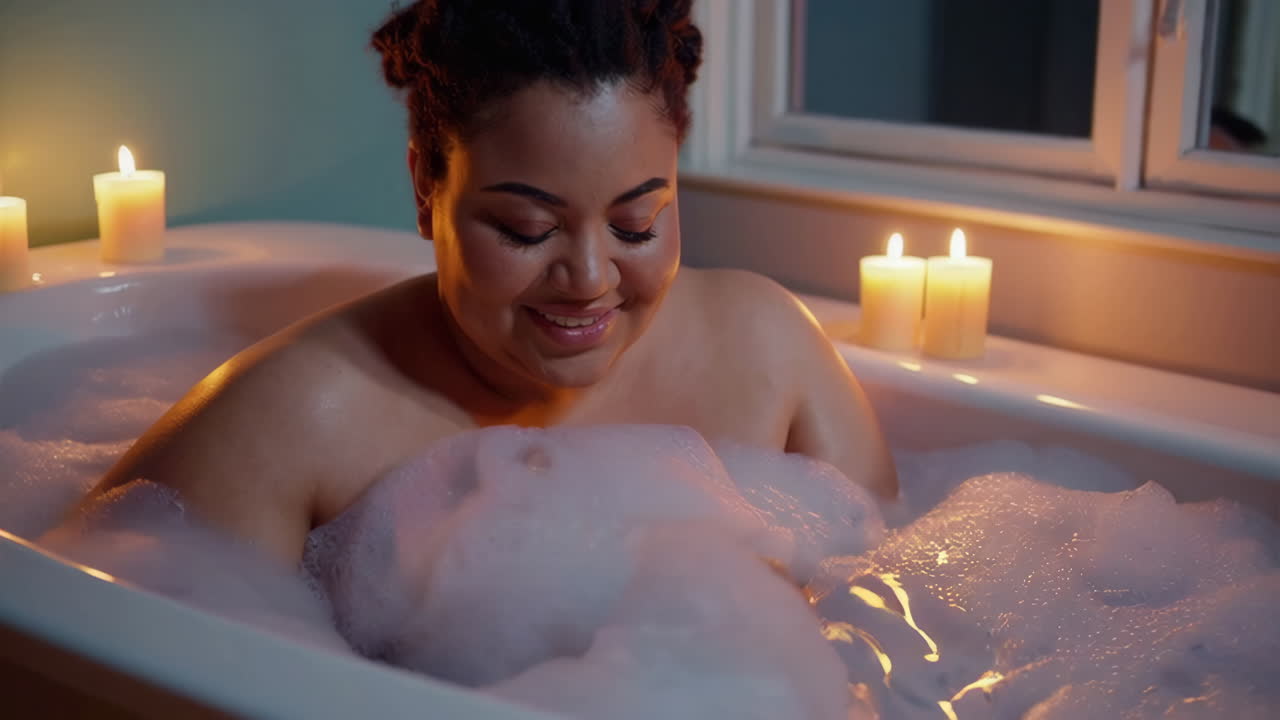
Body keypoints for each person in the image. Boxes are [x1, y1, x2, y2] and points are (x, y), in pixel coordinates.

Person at [73, 0, 897, 566]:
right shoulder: (285, 426)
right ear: (425, 187)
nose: (589, 278)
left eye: (637, 223)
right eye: (526, 229)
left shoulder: (772, 354)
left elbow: (904, 635)